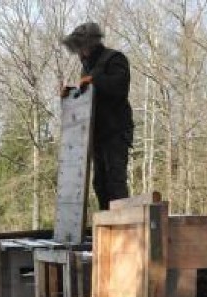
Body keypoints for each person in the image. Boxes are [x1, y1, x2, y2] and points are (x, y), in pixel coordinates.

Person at [62, 22, 134, 210]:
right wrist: (72, 94)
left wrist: (95, 80)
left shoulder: (115, 59)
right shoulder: (86, 67)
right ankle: (107, 226)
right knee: (100, 183)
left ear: (90, 44)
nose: (78, 53)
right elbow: (88, 96)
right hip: (97, 134)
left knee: (115, 182)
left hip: (116, 132)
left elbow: (119, 88)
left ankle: (122, 227)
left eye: (80, 47)